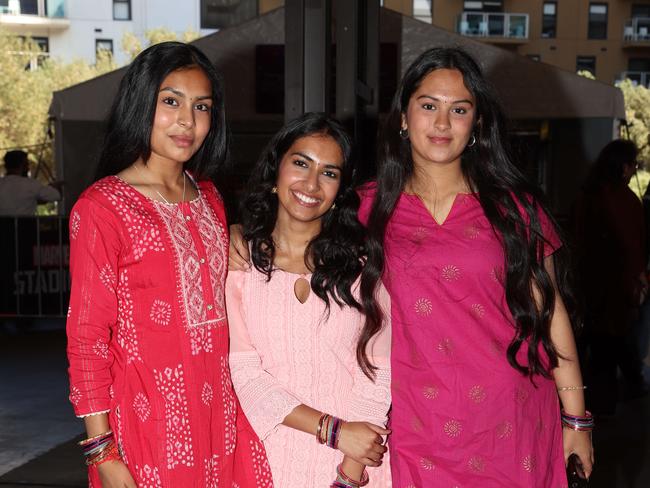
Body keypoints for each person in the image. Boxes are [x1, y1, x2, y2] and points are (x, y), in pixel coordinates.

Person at [357, 47, 593, 486]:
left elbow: (551, 314)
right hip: (415, 426)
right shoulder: (366, 207)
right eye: (428, 106)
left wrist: (576, 420)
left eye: (459, 109)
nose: (442, 123)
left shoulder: (516, 209)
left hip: (511, 420)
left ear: (478, 123)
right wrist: (239, 234)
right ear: (404, 118)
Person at [66, 42, 272, 487]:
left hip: (222, 416)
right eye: (171, 101)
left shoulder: (211, 198)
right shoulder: (103, 207)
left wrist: (233, 230)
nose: (187, 120)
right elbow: (86, 338)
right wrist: (103, 452)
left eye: (202, 107)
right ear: (142, 102)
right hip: (149, 425)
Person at [227, 112, 392, 488]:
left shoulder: (363, 272)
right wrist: (332, 430)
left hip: (357, 464)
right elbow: (246, 376)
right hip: (270, 460)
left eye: (329, 173)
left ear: (340, 192)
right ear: (275, 172)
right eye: (301, 163)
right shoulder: (238, 267)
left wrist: (349, 472)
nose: (312, 184)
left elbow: (378, 371)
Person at [574, 139, 648, 413]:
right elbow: (633, 247)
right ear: (625, 167)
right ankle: (607, 403)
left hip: (588, 287)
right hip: (615, 290)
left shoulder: (586, 195)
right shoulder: (625, 200)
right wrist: (638, 282)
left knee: (593, 349)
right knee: (609, 348)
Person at [0, 150, 61, 216]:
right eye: (27, 164)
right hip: (26, 226)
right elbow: (56, 196)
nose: (28, 168)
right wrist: (56, 186)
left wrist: (34, 201)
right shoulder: (31, 184)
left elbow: (12, 202)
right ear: (22, 165)